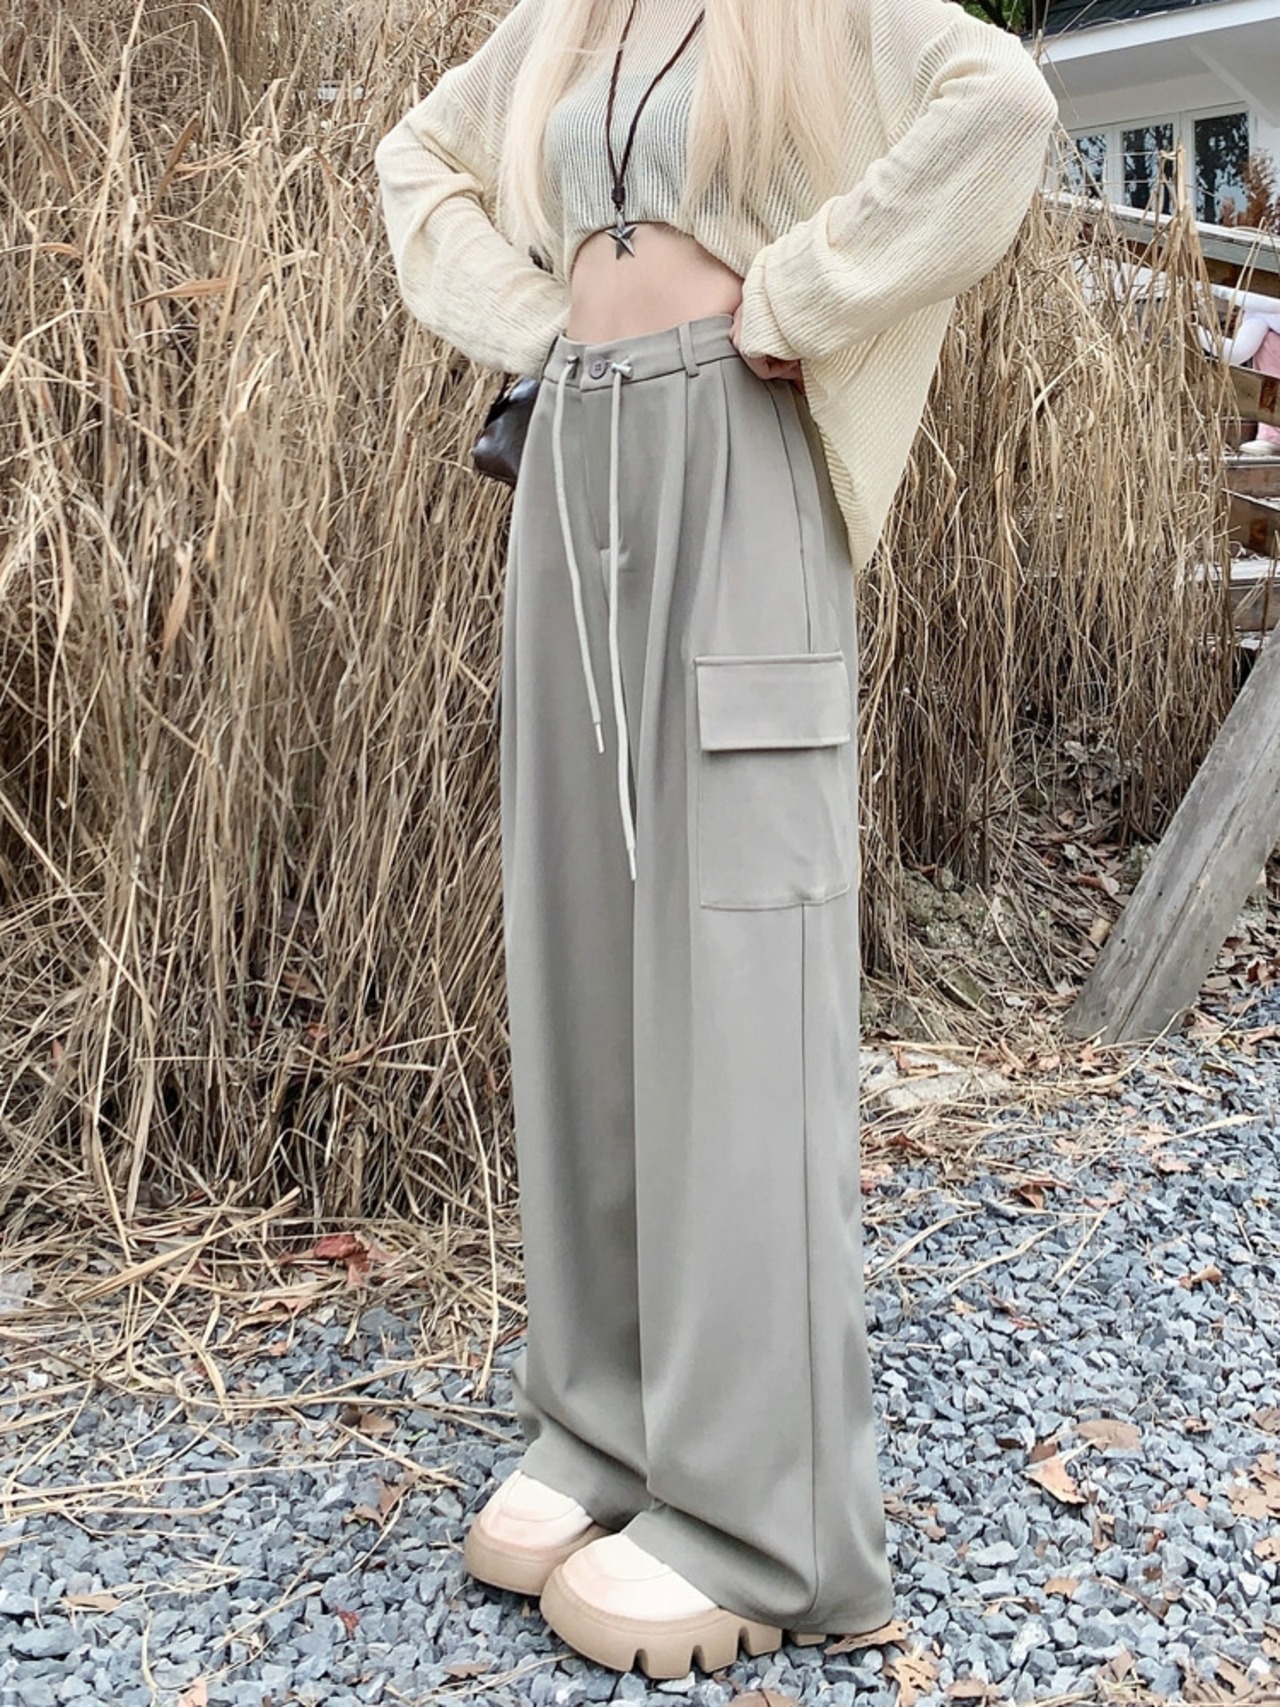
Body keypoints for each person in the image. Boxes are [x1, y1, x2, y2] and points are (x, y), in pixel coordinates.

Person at [374, 0, 1057, 1680]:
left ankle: (770, 1519)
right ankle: (607, 1423)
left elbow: (1003, 105)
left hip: (737, 449)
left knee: (742, 965)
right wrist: (532, 319)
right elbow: (416, 159)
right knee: (582, 944)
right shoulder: (563, 25)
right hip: (573, 455)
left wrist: (805, 291)